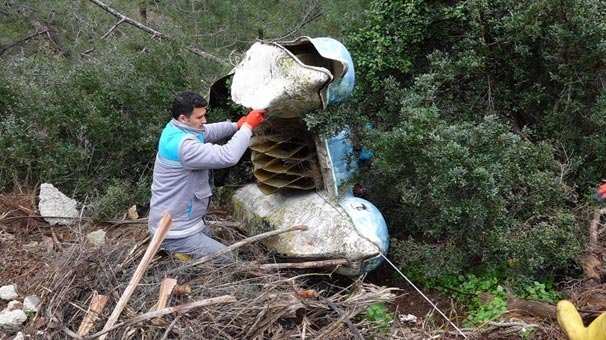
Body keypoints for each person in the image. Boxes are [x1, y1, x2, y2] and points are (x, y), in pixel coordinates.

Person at [148, 91, 265, 262]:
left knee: (213, 240)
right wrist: (247, 127)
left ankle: (183, 256)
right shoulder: (183, 146)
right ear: (183, 118)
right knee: (228, 258)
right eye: (199, 117)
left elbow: (205, 132)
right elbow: (228, 156)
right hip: (173, 231)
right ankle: (175, 255)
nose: (204, 121)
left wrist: (235, 126)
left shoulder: (175, 129)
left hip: (185, 222)